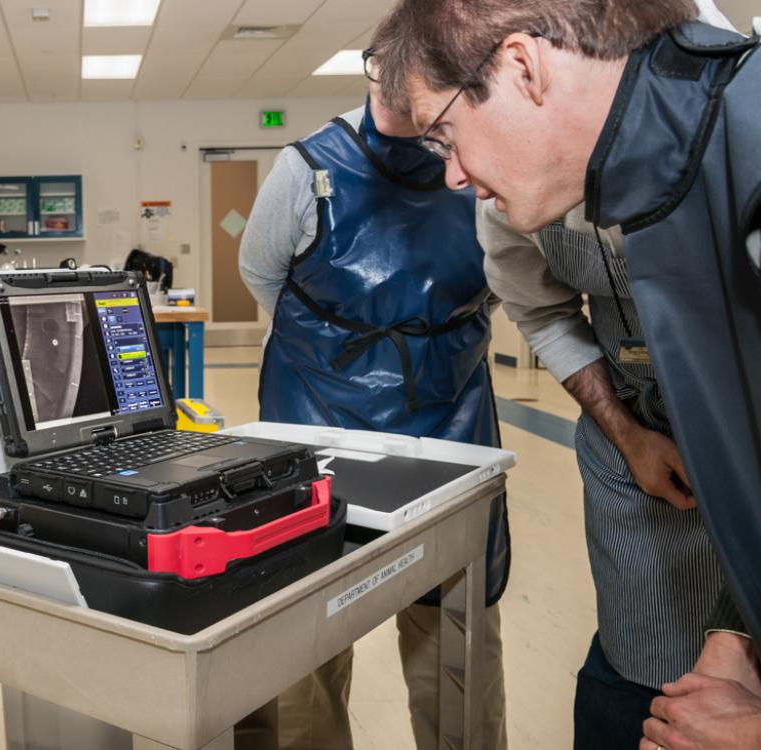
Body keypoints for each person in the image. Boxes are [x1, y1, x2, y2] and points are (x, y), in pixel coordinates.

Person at [371, 0, 761, 746]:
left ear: (524, 67)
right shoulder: (648, 158)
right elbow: (539, 308)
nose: (452, 175)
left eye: (447, 132)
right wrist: (732, 631)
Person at [238, 19, 510, 749]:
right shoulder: (305, 170)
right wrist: (340, 346)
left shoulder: (476, 158)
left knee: (454, 621)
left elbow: (511, 277)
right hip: (317, 409)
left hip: (446, 414)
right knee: (306, 625)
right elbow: (261, 274)